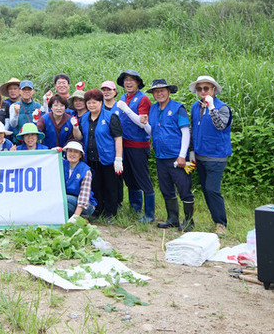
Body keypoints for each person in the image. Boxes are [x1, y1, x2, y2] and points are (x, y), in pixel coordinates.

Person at [140, 79, 195, 232]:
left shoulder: (178, 108)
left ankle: (189, 221)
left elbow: (185, 132)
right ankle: (172, 219)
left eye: (162, 90)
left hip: (177, 157)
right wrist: (144, 123)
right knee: (166, 189)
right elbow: (152, 131)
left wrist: (182, 155)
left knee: (184, 189)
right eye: (156, 92)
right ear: (153, 94)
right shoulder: (153, 109)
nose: (159, 94)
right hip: (160, 156)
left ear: (168, 91)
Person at [189, 75, 233, 235]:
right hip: (200, 155)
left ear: (214, 90)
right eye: (199, 88)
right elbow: (193, 129)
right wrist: (192, 151)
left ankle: (221, 223)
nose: (202, 91)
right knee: (206, 191)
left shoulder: (222, 108)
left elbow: (220, 125)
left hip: (216, 156)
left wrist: (212, 107)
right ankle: (216, 220)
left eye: (206, 88)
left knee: (212, 189)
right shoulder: (195, 107)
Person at [71, 89, 123, 222]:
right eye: (89, 103)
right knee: (96, 186)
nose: (91, 105)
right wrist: (75, 127)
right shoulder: (84, 119)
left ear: (100, 102)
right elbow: (80, 137)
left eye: (94, 102)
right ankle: (97, 210)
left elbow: (118, 138)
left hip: (107, 158)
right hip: (91, 158)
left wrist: (118, 158)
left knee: (110, 186)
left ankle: (110, 213)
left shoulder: (110, 117)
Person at [114, 69, 156, 223]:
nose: (128, 83)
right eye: (126, 80)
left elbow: (142, 122)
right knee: (130, 178)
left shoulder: (143, 99)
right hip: (124, 144)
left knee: (142, 178)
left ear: (138, 82)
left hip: (138, 145)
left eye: (132, 80)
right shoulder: (123, 97)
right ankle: (135, 209)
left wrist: (126, 109)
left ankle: (150, 214)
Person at [62, 142, 96, 221]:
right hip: (68, 200)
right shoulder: (62, 164)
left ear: (80, 155)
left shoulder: (86, 170)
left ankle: (79, 217)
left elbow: (84, 197)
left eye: (76, 152)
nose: (72, 154)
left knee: (64, 199)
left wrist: (76, 216)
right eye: (70, 151)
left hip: (84, 205)